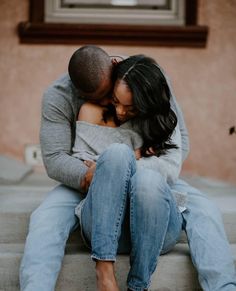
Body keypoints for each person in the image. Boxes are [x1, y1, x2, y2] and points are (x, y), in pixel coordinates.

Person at [19, 45, 236, 291]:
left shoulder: (149, 80)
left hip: (149, 172)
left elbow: (179, 144)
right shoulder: (58, 95)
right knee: (44, 219)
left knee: (205, 210)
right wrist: (98, 174)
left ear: (115, 67)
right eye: (96, 100)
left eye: (106, 95)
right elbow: (56, 159)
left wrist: (133, 167)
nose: (108, 106)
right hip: (86, 174)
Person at [73, 55, 185, 291]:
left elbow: (170, 169)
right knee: (116, 154)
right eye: (115, 101)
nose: (121, 112)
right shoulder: (91, 112)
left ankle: (138, 285)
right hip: (102, 225)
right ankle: (104, 272)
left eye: (131, 107)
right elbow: (84, 168)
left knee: (147, 179)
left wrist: (122, 167)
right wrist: (135, 155)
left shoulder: (163, 120)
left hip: (155, 228)